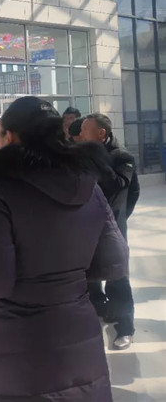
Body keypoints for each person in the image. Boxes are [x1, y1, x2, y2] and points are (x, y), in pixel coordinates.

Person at [0, 97, 129, 401]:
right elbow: (114, 261)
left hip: (13, 351)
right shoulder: (90, 186)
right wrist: (64, 275)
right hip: (78, 341)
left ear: (9, 137)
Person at [81, 113, 140, 350]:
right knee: (89, 274)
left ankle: (125, 327)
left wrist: (120, 217)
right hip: (86, 225)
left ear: (101, 133)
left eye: (85, 130)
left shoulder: (122, 156)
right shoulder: (82, 155)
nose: (80, 135)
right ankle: (101, 308)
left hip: (112, 227)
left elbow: (123, 187)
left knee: (117, 277)